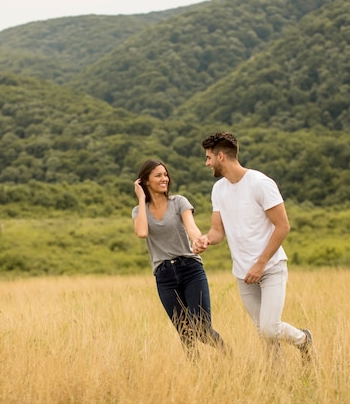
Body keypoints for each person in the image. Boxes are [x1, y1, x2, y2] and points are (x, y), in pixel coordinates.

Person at [192, 131, 313, 362]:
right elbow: (218, 231)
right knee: (264, 334)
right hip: (242, 273)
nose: (206, 163)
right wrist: (206, 239)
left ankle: (304, 340)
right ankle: (278, 382)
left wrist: (260, 264)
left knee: (269, 328)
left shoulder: (260, 183)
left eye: (208, 157)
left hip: (270, 268)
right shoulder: (218, 189)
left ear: (220, 156)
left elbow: (282, 226)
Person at [132, 159, 227, 359]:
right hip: (164, 275)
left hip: (190, 269)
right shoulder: (138, 211)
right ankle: (197, 374)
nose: (164, 178)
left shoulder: (178, 202)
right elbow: (141, 232)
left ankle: (228, 357)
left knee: (201, 327)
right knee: (185, 333)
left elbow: (191, 226)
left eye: (165, 174)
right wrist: (141, 199)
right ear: (145, 181)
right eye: (158, 175)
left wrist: (198, 240)